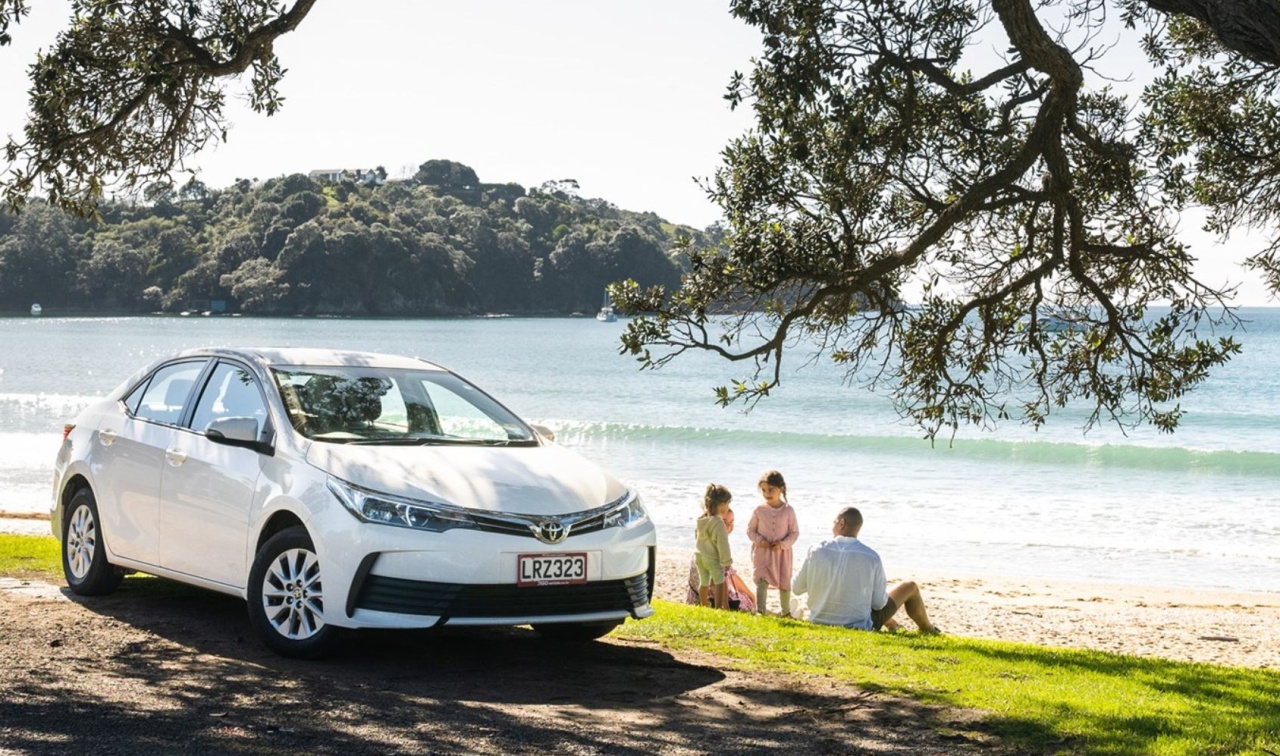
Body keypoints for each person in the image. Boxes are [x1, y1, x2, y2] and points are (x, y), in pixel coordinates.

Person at [791, 506, 939, 633]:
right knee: (910, 587)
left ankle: (894, 624)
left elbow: (796, 588)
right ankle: (928, 628)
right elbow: (879, 604)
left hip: (819, 620)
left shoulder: (815, 550)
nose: (832, 527)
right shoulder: (871, 557)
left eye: (834, 523)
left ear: (841, 523)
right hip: (859, 626)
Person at [686, 502, 757, 612]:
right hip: (711, 599)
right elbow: (728, 577)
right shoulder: (715, 551)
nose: (729, 526)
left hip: (695, 598)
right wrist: (751, 595)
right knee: (747, 600)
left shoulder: (701, 546)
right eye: (724, 521)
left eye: (732, 521)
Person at [747, 469, 799, 616]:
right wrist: (759, 541)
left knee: (784, 581)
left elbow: (794, 533)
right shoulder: (759, 510)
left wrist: (783, 544)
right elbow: (750, 530)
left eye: (771, 489)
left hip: (782, 554)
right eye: (763, 490)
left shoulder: (788, 511)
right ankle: (760, 610)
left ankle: (786, 612)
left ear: (781, 488)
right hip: (762, 552)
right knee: (761, 580)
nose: (767, 493)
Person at [694, 484, 734, 610]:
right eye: (727, 504)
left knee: (704, 581)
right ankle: (718, 606)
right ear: (721, 504)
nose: (728, 507)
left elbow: (697, 537)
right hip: (712, 557)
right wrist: (726, 561)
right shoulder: (718, 523)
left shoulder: (702, 519)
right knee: (719, 581)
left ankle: (704, 605)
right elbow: (723, 544)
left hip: (699, 555)